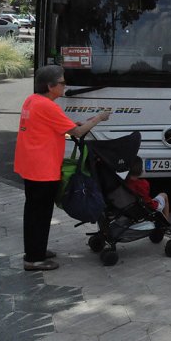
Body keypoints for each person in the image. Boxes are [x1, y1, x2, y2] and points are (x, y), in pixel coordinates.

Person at [14, 65, 111, 271]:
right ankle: (34, 258)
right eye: (62, 82)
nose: (64, 85)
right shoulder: (49, 106)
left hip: (29, 164)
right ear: (50, 86)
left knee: (33, 211)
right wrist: (98, 118)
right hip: (42, 167)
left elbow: (54, 127)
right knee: (40, 213)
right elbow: (76, 132)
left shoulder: (32, 100)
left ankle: (35, 250)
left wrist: (70, 126)